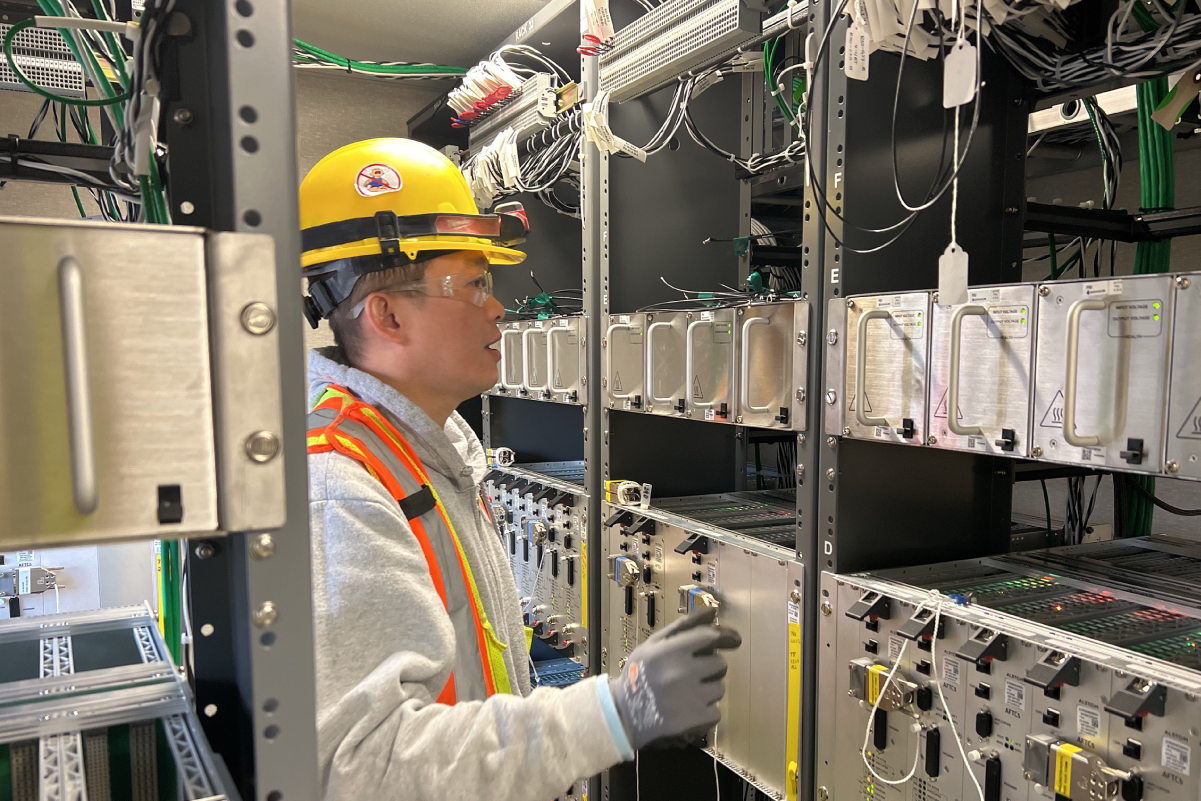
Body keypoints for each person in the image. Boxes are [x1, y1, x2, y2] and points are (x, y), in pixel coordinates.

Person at [300, 138, 741, 801]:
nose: (498, 306)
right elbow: (359, 769)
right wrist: (613, 712)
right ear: (388, 314)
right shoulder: (342, 487)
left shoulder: (423, 453)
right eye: (475, 283)